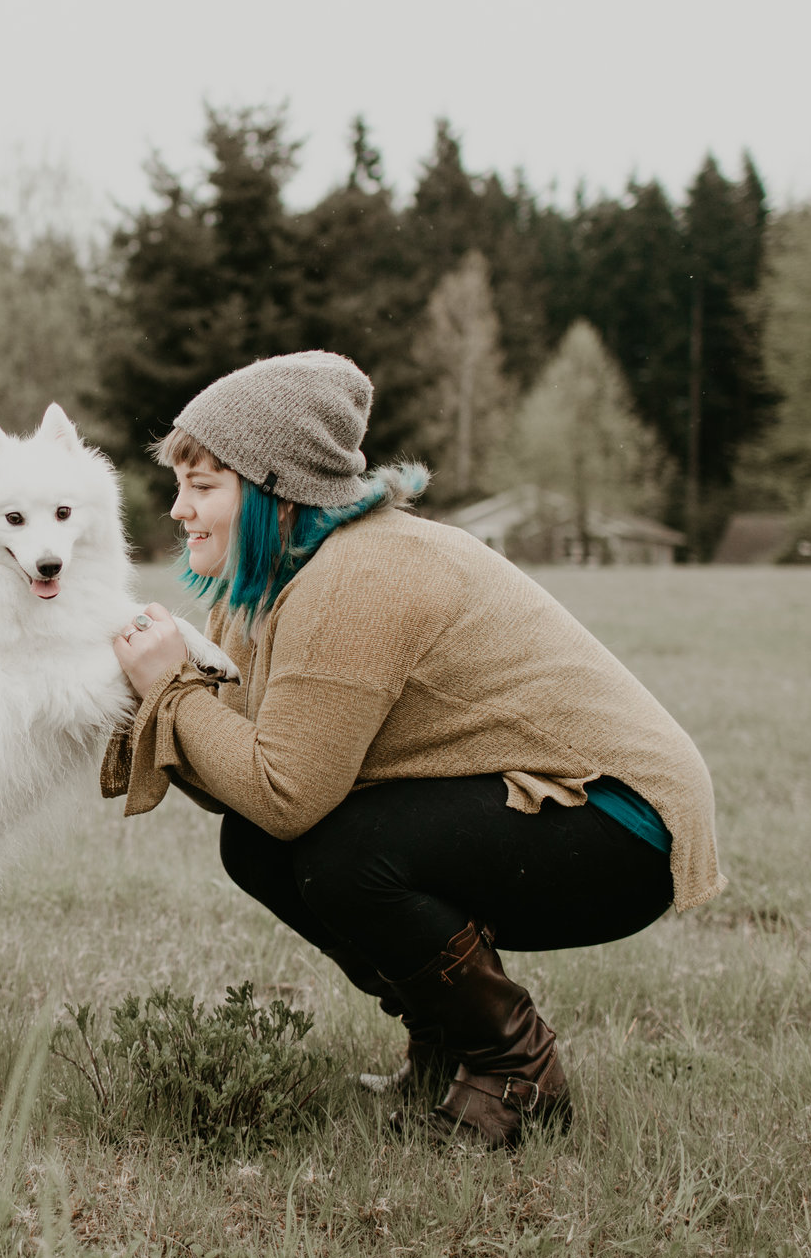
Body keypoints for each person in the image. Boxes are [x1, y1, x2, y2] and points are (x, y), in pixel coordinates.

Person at [104, 350, 721, 1148]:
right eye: (179, 483)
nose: (178, 509)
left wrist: (174, 693)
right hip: (547, 798)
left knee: (347, 850)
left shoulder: (360, 576)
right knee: (256, 846)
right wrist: (158, 692)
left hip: (623, 818)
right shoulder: (274, 586)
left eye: (203, 485)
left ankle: (514, 1067)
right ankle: (449, 1040)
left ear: (274, 491)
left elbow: (285, 792)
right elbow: (245, 789)